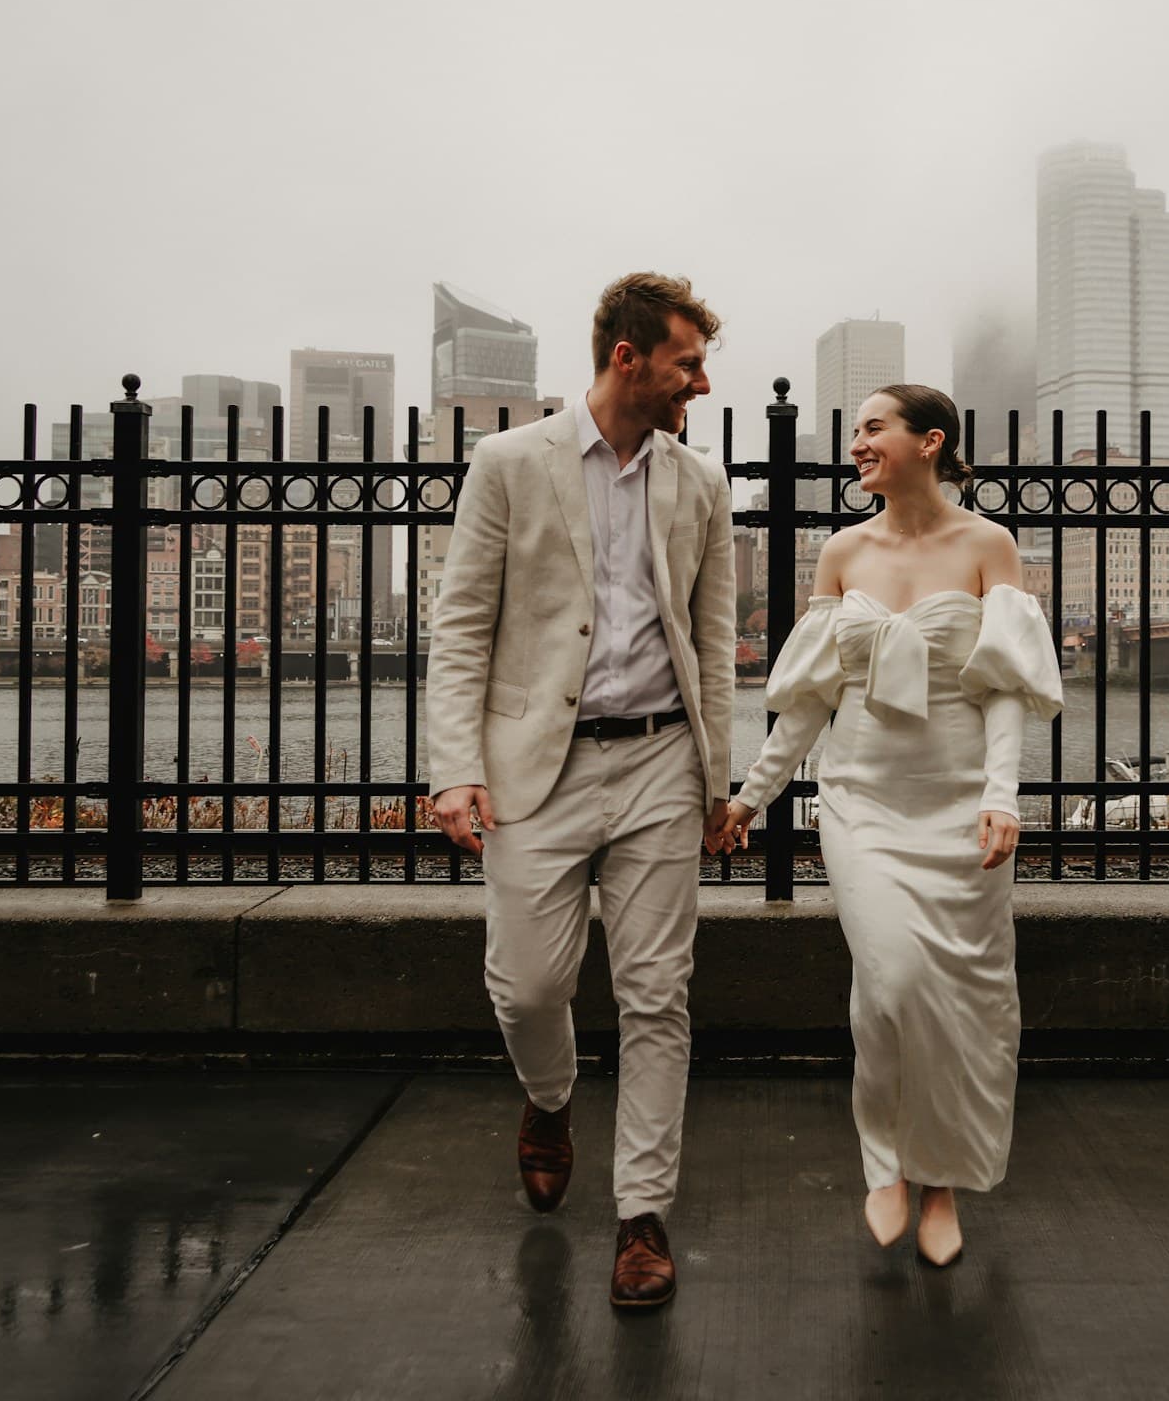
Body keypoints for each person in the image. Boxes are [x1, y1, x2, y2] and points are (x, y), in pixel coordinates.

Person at [426, 271, 736, 1312]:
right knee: (527, 986)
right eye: (687, 361)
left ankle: (642, 1217)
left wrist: (714, 781)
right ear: (627, 357)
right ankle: (549, 1101)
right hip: (535, 769)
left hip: (658, 761)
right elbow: (463, 622)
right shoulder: (508, 462)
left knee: (657, 995)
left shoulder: (701, 481)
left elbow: (712, 641)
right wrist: (455, 768)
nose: (699, 380)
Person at [717, 383, 1062, 1268]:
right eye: (857, 431)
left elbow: (1007, 691)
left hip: (958, 803)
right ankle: (886, 1161)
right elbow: (806, 703)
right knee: (895, 982)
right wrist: (753, 796)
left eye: (874, 429)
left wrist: (1000, 796)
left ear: (930, 441)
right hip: (862, 800)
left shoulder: (990, 546)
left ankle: (941, 1182)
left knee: (964, 998)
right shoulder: (840, 552)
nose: (858, 444)